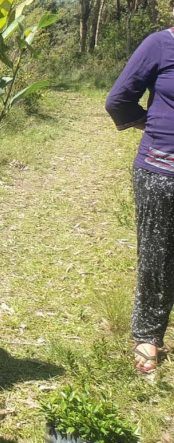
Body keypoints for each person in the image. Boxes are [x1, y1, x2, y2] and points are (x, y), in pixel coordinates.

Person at [106, 23, 174, 374]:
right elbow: (119, 100)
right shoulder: (160, 45)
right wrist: (156, 125)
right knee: (157, 254)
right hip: (161, 172)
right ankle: (148, 335)